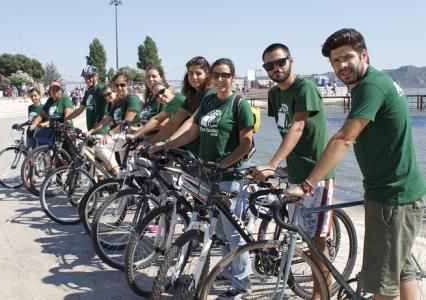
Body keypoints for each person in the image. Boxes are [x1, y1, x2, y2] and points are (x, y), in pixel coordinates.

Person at [286, 28, 426, 300]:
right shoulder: (376, 82)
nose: (342, 65)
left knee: (380, 284)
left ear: (364, 55)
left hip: (391, 198)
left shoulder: (370, 87)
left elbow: (344, 138)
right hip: (401, 193)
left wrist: (307, 185)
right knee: (401, 272)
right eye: (335, 61)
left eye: (347, 57)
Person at [163, 58, 254, 298]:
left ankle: (242, 284)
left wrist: (223, 164)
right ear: (211, 78)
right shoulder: (209, 99)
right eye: (216, 75)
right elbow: (193, 131)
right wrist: (166, 145)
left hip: (228, 175)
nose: (221, 79)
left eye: (225, 75)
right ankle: (227, 270)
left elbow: (246, 143)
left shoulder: (239, 104)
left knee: (233, 231)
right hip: (206, 173)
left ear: (233, 77)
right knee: (220, 230)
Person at [252, 43, 335, 298]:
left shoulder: (305, 88)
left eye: (280, 62)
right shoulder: (275, 95)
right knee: (303, 236)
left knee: (317, 243)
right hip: (295, 173)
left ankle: (321, 293)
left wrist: (272, 164)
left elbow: (297, 128)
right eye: (269, 65)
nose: (275, 68)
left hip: (316, 174)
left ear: (291, 61)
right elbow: (283, 130)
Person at [148, 56, 213, 154]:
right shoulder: (192, 95)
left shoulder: (211, 94)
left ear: (207, 75)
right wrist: (150, 143)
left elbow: (191, 123)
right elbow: (173, 123)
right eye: (190, 73)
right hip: (194, 150)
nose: (194, 77)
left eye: (198, 73)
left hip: (209, 152)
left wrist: (166, 143)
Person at [90, 72, 142, 175]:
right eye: (116, 85)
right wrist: (90, 131)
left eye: (122, 85)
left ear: (128, 84)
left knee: (99, 145)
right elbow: (106, 120)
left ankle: (115, 170)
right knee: (129, 171)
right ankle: (126, 186)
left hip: (131, 135)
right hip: (122, 136)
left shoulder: (132, 98)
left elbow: (126, 121)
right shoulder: (117, 102)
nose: (119, 88)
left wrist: (109, 134)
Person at [66, 65, 108, 135]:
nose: (87, 80)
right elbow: (80, 110)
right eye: (85, 77)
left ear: (96, 76)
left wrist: (107, 115)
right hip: (91, 131)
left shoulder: (101, 89)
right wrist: (67, 118)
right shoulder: (88, 92)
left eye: (90, 77)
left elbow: (113, 103)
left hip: (102, 131)